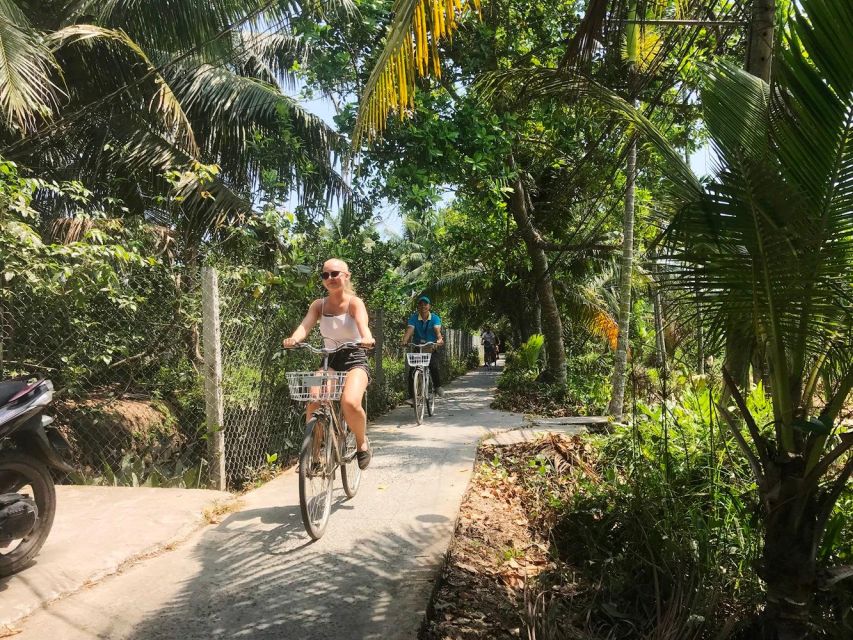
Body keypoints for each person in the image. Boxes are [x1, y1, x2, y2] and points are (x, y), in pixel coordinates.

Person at [282, 258, 375, 469]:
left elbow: (363, 326)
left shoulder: (354, 303)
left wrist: (367, 338)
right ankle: (314, 455)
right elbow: (304, 326)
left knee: (350, 403)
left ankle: (362, 442)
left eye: (335, 274)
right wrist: (294, 339)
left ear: (346, 276)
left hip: (355, 358)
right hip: (329, 359)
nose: (330, 278)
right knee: (315, 400)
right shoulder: (318, 305)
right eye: (325, 275)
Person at [401, 295, 444, 403]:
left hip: (431, 347)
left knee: (433, 366)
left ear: (429, 306)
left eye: (425, 304)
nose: (423, 306)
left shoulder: (435, 318)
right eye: (420, 304)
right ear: (418, 307)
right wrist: (405, 340)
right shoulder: (414, 318)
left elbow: (437, 329)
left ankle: (437, 386)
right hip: (418, 347)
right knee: (412, 371)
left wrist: (439, 339)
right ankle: (412, 397)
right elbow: (410, 329)